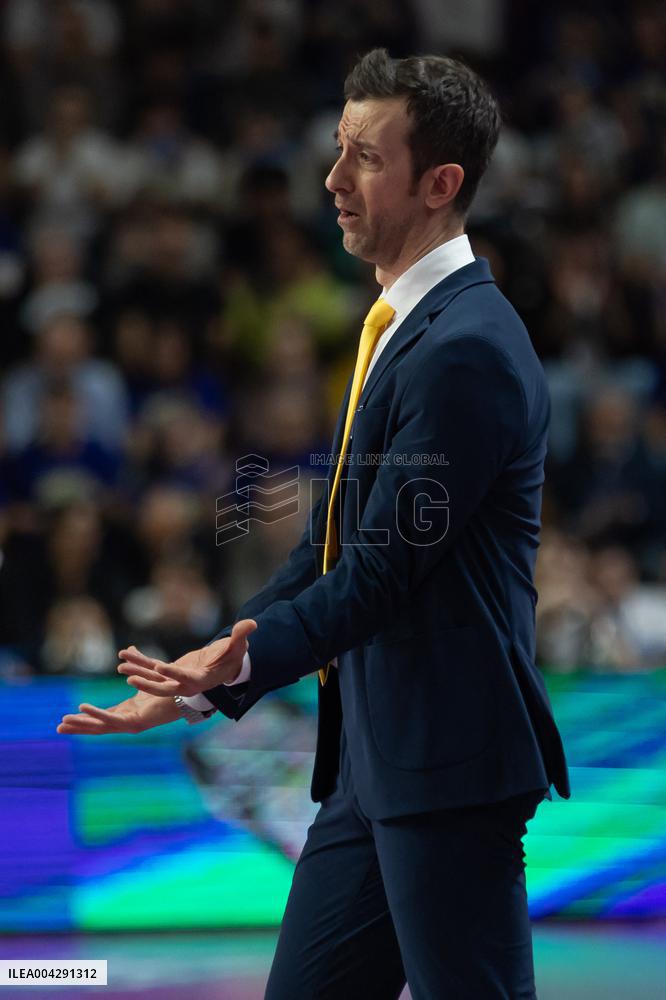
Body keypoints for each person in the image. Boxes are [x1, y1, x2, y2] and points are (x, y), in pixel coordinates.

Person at [58, 49, 570, 999]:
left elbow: (378, 576)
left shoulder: (466, 352)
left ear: (439, 183)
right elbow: (324, 549)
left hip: (447, 768)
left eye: (364, 158)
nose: (332, 180)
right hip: (373, 766)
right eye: (337, 150)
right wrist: (202, 677)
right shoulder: (400, 327)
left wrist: (235, 664)